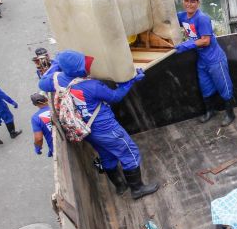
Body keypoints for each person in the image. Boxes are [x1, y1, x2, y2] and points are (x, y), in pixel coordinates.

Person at [37, 50, 159, 199]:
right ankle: (138, 189)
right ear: (80, 69)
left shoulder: (56, 81)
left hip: (86, 130)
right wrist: (130, 81)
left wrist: (57, 63)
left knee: (106, 155)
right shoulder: (92, 85)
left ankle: (120, 186)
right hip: (106, 129)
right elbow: (115, 96)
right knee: (130, 152)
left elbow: (41, 82)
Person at [175, 0, 236, 126]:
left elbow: (205, 41)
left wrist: (186, 45)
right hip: (202, 60)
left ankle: (230, 114)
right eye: (186, 1)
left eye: (192, 1)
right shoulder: (182, 16)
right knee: (205, 86)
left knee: (224, 86)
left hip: (215, 59)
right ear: (182, 1)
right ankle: (210, 111)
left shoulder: (202, 18)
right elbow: (169, 20)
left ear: (198, 3)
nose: (189, 4)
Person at [30, 93, 53, 157]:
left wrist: (38, 148)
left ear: (35, 104)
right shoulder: (56, 107)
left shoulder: (36, 118)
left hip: (56, 146)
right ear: (46, 98)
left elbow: (39, 138)